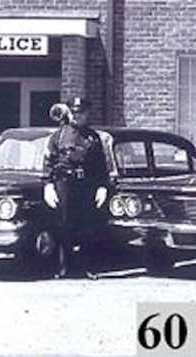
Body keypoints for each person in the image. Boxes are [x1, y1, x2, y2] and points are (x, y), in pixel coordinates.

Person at [43, 97, 110, 279]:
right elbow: (49, 162)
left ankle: (88, 267)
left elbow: (100, 166)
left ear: (87, 114)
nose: (77, 116)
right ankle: (63, 268)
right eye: (74, 112)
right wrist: (48, 185)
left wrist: (102, 187)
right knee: (63, 225)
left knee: (87, 226)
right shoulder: (58, 136)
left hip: (86, 185)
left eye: (81, 112)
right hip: (64, 183)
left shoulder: (93, 137)